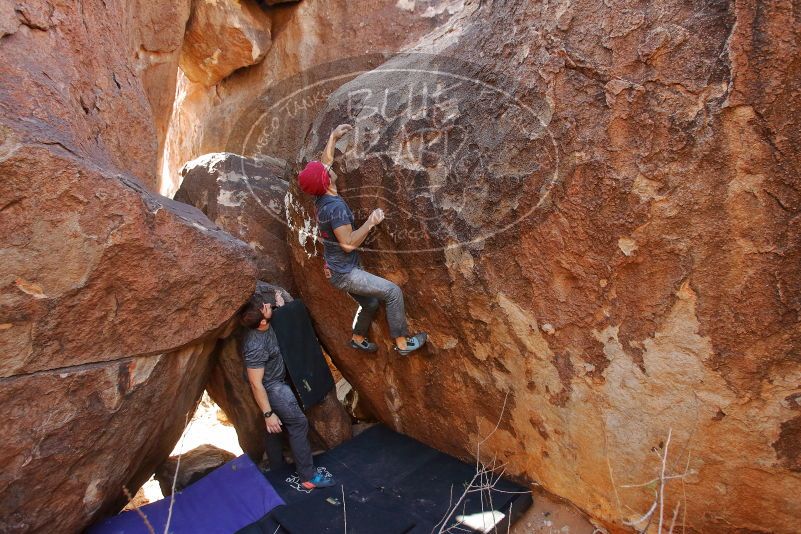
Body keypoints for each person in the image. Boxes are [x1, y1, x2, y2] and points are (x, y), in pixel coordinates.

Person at [297, 123, 427, 356]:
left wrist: (332, 137)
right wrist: (371, 222)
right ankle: (402, 343)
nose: (328, 167)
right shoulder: (334, 208)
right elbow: (348, 244)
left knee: (370, 303)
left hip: (336, 269)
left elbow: (324, 164)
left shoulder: (320, 195)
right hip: (346, 272)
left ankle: (358, 338)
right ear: (327, 182)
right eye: (326, 170)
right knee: (392, 292)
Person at [240, 290, 334, 490]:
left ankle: (277, 468)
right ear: (262, 322)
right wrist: (268, 413)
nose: (267, 306)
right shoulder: (255, 346)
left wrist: (281, 306)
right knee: (298, 424)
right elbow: (257, 384)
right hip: (272, 388)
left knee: (274, 428)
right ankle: (308, 477)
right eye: (264, 308)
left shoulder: (265, 324)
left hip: (277, 383)